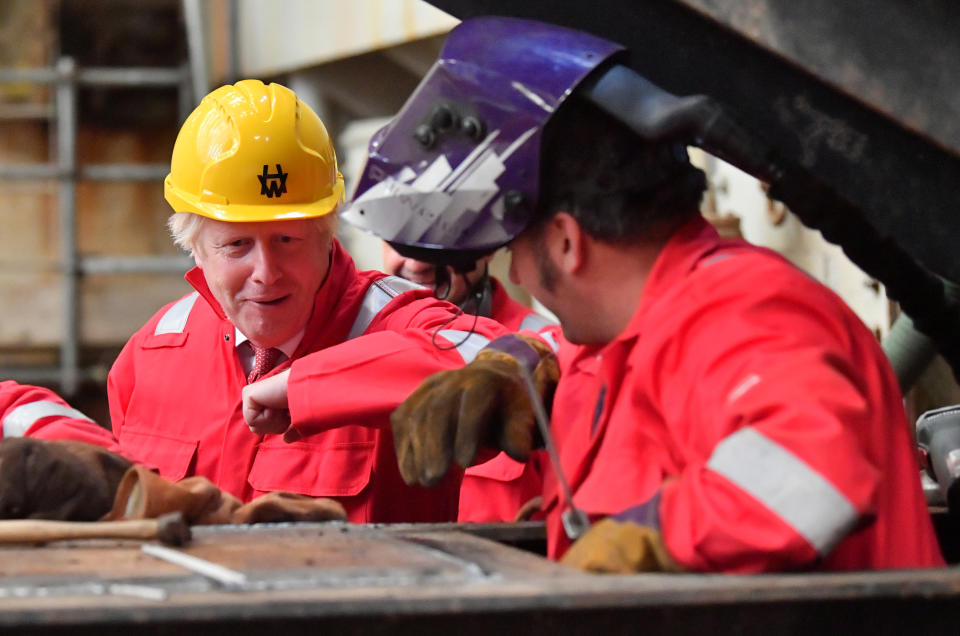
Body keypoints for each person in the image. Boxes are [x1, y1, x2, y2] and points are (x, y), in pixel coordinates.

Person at [341, 17, 944, 572]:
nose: (517, 269)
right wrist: (524, 369)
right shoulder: (621, 336)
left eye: (515, 245)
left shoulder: (749, 314)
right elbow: (607, 380)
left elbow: (812, 478)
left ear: (567, 241)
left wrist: (651, 540)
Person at [7, 80, 512, 524]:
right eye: (237, 245)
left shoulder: (395, 321)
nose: (266, 274)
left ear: (327, 233)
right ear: (194, 247)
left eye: (288, 240)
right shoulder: (152, 354)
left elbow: (496, 359)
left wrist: (310, 387)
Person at [380, 243, 553, 522]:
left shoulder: (545, 354)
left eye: (436, 243)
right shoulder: (355, 345)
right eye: (398, 243)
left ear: (488, 247)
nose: (415, 264)